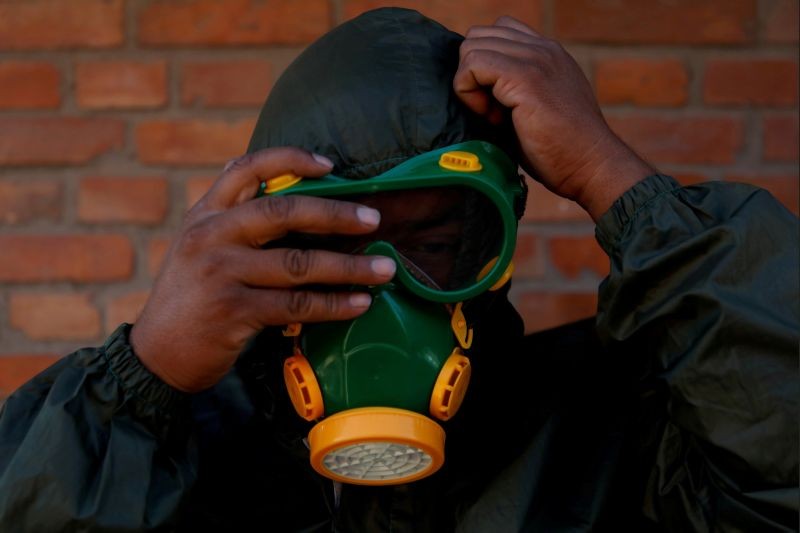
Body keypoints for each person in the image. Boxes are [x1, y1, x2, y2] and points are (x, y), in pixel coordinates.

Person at [0, 8, 797, 532]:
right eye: (334, 248)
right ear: (266, 248)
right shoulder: (181, 456)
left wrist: (612, 177)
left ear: (495, 247)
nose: (385, 293)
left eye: (437, 244)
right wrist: (143, 381)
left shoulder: (619, 428)